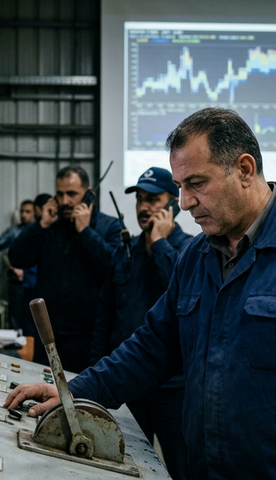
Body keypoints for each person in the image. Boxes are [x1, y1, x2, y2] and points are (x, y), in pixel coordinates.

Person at [6, 108, 276, 478]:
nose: (184, 203)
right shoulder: (197, 256)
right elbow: (153, 346)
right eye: (181, 186)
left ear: (244, 168)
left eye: (196, 184)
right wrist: (76, 390)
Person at [90, 167, 192, 480]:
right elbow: (105, 315)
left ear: (173, 204)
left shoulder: (191, 251)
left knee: (182, 467)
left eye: (153, 199)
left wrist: (160, 243)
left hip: (174, 388)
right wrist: (92, 366)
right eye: (140, 200)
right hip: (129, 384)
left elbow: (184, 295)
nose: (145, 207)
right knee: (125, 467)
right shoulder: (125, 251)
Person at [9, 166, 122, 373]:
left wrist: (85, 232)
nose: (64, 202)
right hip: (49, 338)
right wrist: (41, 225)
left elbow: (117, 269)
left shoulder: (109, 226)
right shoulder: (51, 225)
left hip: (90, 340)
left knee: (83, 401)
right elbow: (17, 258)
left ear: (88, 194)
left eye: (71, 194)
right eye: (60, 194)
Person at [0, 200, 35, 330]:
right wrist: (12, 266)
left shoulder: (40, 232)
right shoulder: (13, 231)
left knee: (32, 317)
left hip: (34, 280)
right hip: (16, 280)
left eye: (28, 212)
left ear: (35, 212)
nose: (23, 215)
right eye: (22, 211)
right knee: (16, 316)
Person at [17, 193, 52, 337]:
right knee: (30, 328)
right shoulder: (31, 232)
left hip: (40, 287)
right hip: (31, 285)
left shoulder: (50, 230)